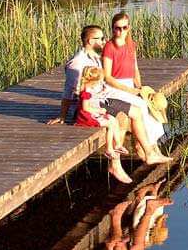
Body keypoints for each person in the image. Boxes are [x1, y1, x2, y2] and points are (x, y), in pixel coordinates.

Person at [63, 24, 163, 162]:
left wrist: (130, 90)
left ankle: (149, 149)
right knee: (129, 114)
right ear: (91, 41)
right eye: (101, 38)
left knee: (141, 102)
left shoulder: (96, 57)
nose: (104, 41)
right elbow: (70, 92)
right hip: (95, 102)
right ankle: (132, 156)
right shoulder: (77, 64)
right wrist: (62, 116)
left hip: (104, 94)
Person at [100, 12, 170, 163]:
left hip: (130, 85)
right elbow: (107, 77)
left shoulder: (131, 45)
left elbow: (135, 69)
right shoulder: (109, 47)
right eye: (117, 28)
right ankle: (147, 151)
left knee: (150, 106)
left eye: (124, 28)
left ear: (128, 28)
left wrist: (140, 87)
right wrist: (130, 91)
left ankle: (153, 148)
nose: (120, 32)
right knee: (140, 105)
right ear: (112, 29)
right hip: (114, 88)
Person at [76, 66, 132, 184]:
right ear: (93, 81)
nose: (100, 83)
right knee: (109, 124)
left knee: (113, 120)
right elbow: (85, 108)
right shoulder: (86, 91)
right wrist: (99, 111)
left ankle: (117, 145)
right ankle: (109, 148)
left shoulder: (90, 89)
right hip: (86, 118)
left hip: (93, 114)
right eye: (99, 81)